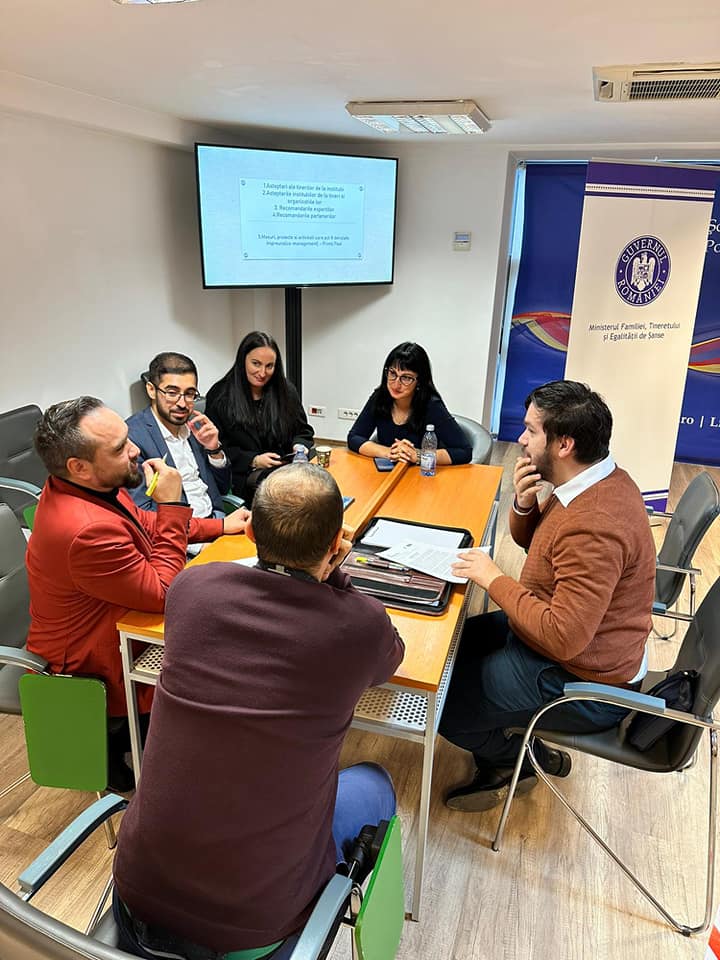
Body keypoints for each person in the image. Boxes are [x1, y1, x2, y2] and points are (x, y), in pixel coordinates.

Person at [112, 464, 405, 960]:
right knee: (376, 781)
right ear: (336, 543)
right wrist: (335, 573)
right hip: (256, 928)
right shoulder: (359, 626)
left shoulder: (191, 589)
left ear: (249, 531)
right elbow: (388, 661)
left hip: (138, 893)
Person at [438, 380, 656, 812]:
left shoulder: (595, 524)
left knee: (443, 704)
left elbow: (564, 637)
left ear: (564, 444)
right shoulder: (592, 480)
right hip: (554, 637)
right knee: (450, 649)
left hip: (583, 679)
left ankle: (516, 761)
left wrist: (494, 579)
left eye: (531, 431)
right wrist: (524, 504)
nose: (521, 439)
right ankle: (518, 741)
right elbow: (541, 548)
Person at [26, 397, 250, 789]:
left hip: (116, 620)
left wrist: (219, 527)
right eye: (119, 448)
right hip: (90, 664)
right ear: (79, 466)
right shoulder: (84, 530)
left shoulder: (90, 485)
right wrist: (173, 503)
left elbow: (142, 522)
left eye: (128, 439)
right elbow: (163, 592)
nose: (135, 451)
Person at [205, 331, 314, 502]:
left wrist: (299, 446)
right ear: (243, 360)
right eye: (256, 364)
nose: (262, 373)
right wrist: (253, 460)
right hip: (244, 475)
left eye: (269, 366)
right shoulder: (220, 395)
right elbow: (216, 447)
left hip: (285, 468)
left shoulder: (286, 391)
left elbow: (303, 431)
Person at [126, 352, 231, 518]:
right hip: (183, 528)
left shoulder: (197, 426)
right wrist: (207, 528)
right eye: (172, 393)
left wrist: (214, 450)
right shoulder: (134, 438)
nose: (182, 404)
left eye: (189, 394)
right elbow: (144, 512)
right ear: (151, 390)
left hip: (216, 516)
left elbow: (223, 488)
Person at [347, 341, 472, 465]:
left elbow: (464, 452)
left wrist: (417, 455)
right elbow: (354, 437)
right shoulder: (380, 397)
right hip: (389, 472)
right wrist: (389, 452)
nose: (396, 384)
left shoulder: (432, 405)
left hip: (422, 473)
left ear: (419, 381)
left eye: (406, 378)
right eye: (392, 373)